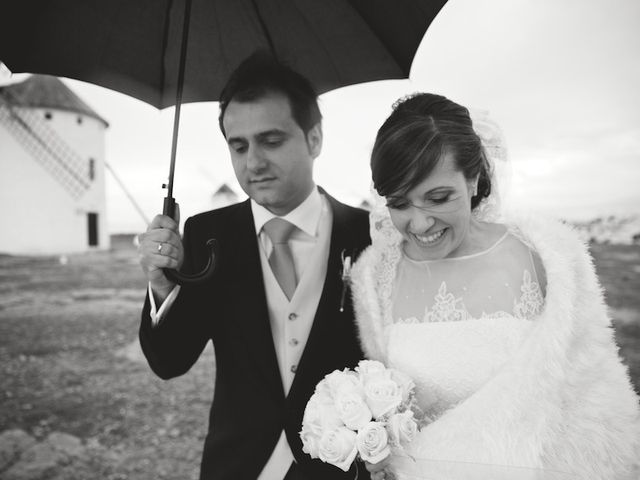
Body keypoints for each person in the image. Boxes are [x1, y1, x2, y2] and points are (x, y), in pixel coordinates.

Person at [350, 93, 640, 480]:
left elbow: (596, 408)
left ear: (473, 179)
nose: (419, 224)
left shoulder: (546, 260)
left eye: (437, 198)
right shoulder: (377, 277)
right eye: (400, 203)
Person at [137, 52, 371, 480]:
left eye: (272, 140)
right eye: (238, 145)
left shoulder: (368, 235)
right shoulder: (207, 234)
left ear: (314, 138)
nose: (253, 163)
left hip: (340, 469)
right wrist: (161, 284)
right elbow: (169, 361)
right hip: (239, 465)